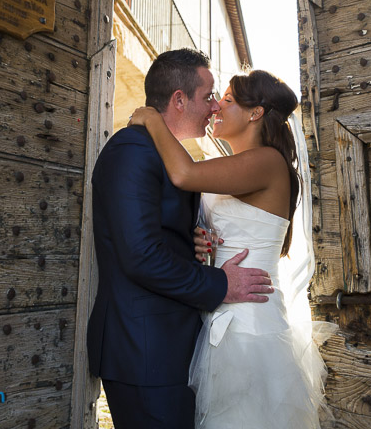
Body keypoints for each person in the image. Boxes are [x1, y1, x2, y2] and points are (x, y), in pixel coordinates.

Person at [129, 69, 329, 429]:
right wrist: (200, 237)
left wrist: (151, 119)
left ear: (255, 113)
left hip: (249, 328)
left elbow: (184, 175)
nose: (217, 106)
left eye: (229, 100)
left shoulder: (268, 161)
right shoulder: (235, 166)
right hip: (220, 315)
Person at [87, 49, 274, 429]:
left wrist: (192, 241)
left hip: (171, 348)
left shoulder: (165, 155)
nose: (213, 109)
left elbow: (161, 237)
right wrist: (221, 283)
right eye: (208, 97)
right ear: (178, 99)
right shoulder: (131, 150)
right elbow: (140, 255)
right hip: (144, 351)